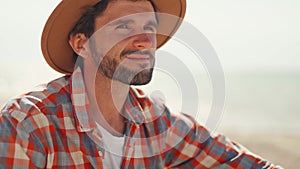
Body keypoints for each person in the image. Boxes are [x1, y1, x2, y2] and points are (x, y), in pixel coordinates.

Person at [0, 0, 282, 168]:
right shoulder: (27, 123)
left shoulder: (158, 123)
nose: (145, 40)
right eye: (124, 26)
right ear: (81, 43)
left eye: (149, 28)